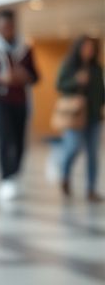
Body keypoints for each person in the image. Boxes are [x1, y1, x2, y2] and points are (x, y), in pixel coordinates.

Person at [0, 9, 38, 202]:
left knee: (20, 142)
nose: (6, 30)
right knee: (5, 140)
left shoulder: (25, 48)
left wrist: (24, 76)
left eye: (9, 27)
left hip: (20, 101)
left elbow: (36, 76)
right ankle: (6, 178)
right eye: (3, 27)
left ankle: (15, 174)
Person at [56, 36, 103, 202]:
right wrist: (76, 80)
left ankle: (91, 189)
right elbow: (59, 85)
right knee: (73, 147)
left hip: (94, 117)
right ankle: (65, 175)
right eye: (86, 47)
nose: (89, 50)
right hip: (75, 115)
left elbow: (100, 91)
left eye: (92, 47)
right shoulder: (70, 65)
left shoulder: (96, 68)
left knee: (93, 154)